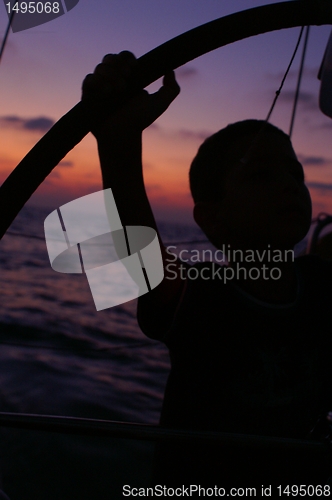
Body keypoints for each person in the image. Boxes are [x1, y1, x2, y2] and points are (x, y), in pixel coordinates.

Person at [82, 51, 332, 490]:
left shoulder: (323, 281)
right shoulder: (198, 298)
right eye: (261, 175)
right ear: (212, 219)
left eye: (296, 174)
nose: (290, 184)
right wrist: (118, 138)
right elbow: (137, 250)